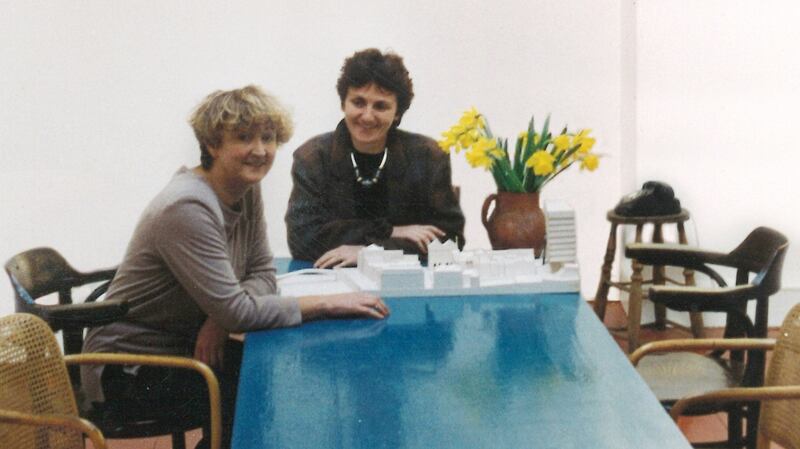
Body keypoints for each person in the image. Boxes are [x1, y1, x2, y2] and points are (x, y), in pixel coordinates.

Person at [81, 85, 389, 449]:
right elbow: (238, 309)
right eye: (244, 138)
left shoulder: (244, 188)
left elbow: (261, 272)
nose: (260, 151)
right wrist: (326, 303)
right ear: (212, 145)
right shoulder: (187, 207)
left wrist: (220, 317)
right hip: (127, 367)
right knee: (256, 389)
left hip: (179, 346)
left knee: (265, 373)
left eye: (268, 137)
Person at [285, 48, 465, 268]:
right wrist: (388, 231)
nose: (367, 116)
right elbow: (302, 239)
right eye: (358, 102)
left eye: (381, 106)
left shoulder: (429, 157)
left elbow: (452, 239)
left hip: (408, 283)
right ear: (343, 104)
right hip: (334, 285)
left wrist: (372, 252)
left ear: (397, 112)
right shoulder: (312, 158)